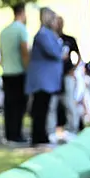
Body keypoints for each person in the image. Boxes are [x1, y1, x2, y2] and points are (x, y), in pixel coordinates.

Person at [26, 8, 65, 147]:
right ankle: (38, 137)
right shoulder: (43, 35)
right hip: (42, 80)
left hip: (47, 80)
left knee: (43, 108)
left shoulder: (48, 34)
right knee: (40, 109)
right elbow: (55, 52)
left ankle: (41, 136)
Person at [0, 3, 30, 143]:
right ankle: (16, 134)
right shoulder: (21, 29)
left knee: (9, 105)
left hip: (7, 72)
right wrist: (27, 68)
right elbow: (24, 51)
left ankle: (8, 134)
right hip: (18, 73)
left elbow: (2, 53)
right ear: (22, 12)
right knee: (19, 106)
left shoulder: (4, 31)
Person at [56, 16, 81, 136]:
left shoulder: (69, 39)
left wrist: (73, 69)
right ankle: (58, 127)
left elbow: (79, 56)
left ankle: (73, 127)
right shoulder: (52, 38)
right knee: (56, 102)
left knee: (69, 101)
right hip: (55, 76)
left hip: (67, 75)